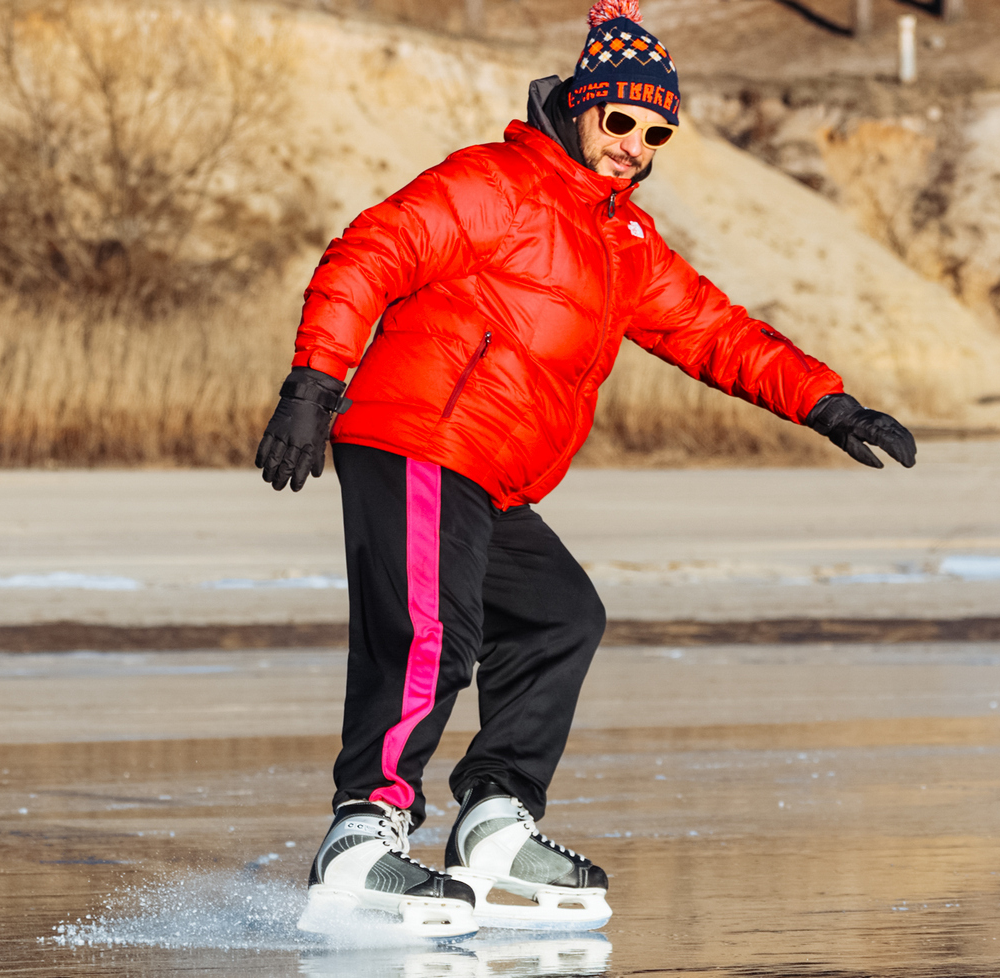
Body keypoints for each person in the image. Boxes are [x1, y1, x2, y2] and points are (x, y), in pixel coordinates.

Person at [255, 0, 915, 941]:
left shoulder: (621, 240)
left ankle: (493, 824)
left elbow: (714, 332)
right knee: (431, 630)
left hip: (488, 473)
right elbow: (374, 248)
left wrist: (828, 402)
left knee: (560, 615)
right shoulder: (496, 183)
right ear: (577, 107)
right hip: (422, 435)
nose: (633, 148)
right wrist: (315, 381)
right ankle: (364, 834)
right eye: (620, 123)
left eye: (655, 134)